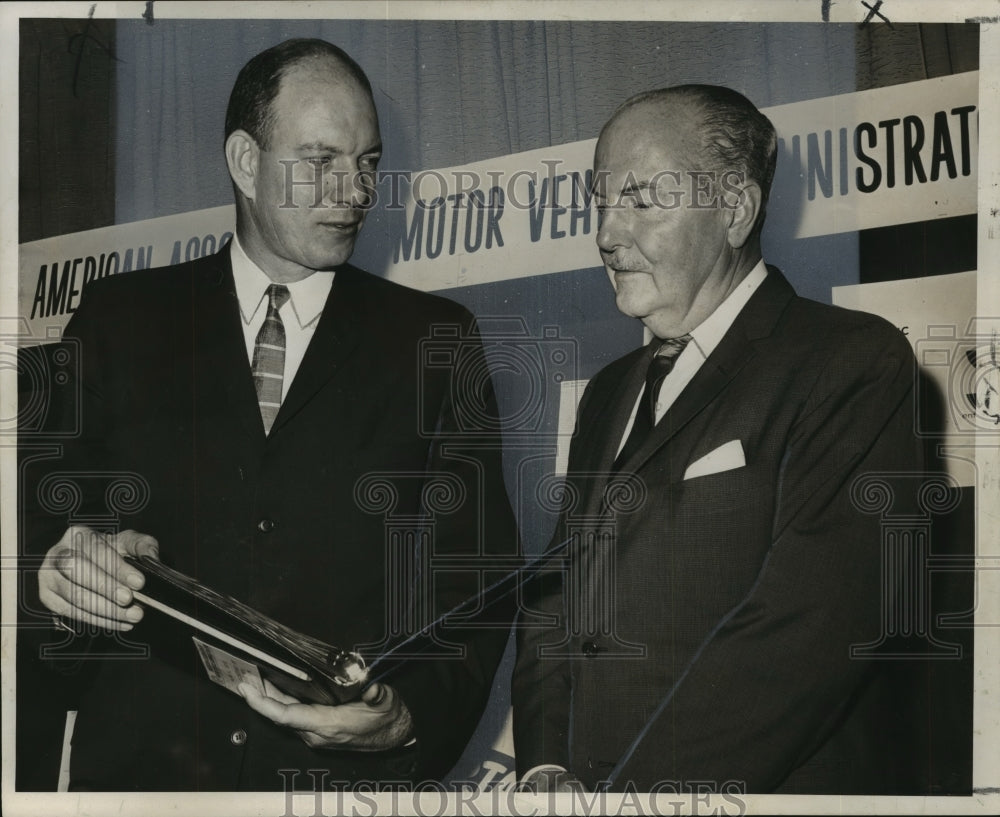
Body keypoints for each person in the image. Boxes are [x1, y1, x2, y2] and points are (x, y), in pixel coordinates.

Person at [19, 38, 516, 791]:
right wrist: (56, 579)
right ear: (246, 162)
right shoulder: (120, 318)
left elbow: (475, 588)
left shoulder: (436, 342)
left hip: (329, 787)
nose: (354, 191)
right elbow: (39, 531)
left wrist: (407, 716)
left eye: (369, 163)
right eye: (320, 160)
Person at [511, 85, 929, 794]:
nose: (607, 234)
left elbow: (806, 636)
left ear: (735, 208)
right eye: (601, 200)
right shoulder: (610, 390)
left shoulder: (852, 362)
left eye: (642, 199)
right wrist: (546, 765)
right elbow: (557, 599)